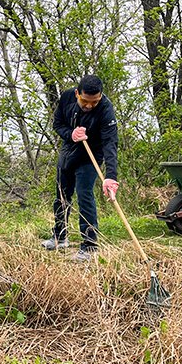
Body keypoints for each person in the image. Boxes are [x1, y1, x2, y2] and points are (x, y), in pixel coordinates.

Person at [42, 74, 119, 262]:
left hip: (91, 156)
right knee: (61, 195)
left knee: (84, 195)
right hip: (69, 151)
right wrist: (71, 134)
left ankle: (89, 245)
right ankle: (60, 237)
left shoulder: (106, 109)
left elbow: (110, 143)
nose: (89, 106)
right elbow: (57, 124)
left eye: (94, 102)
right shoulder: (67, 97)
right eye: (85, 101)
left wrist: (111, 176)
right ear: (77, 93)